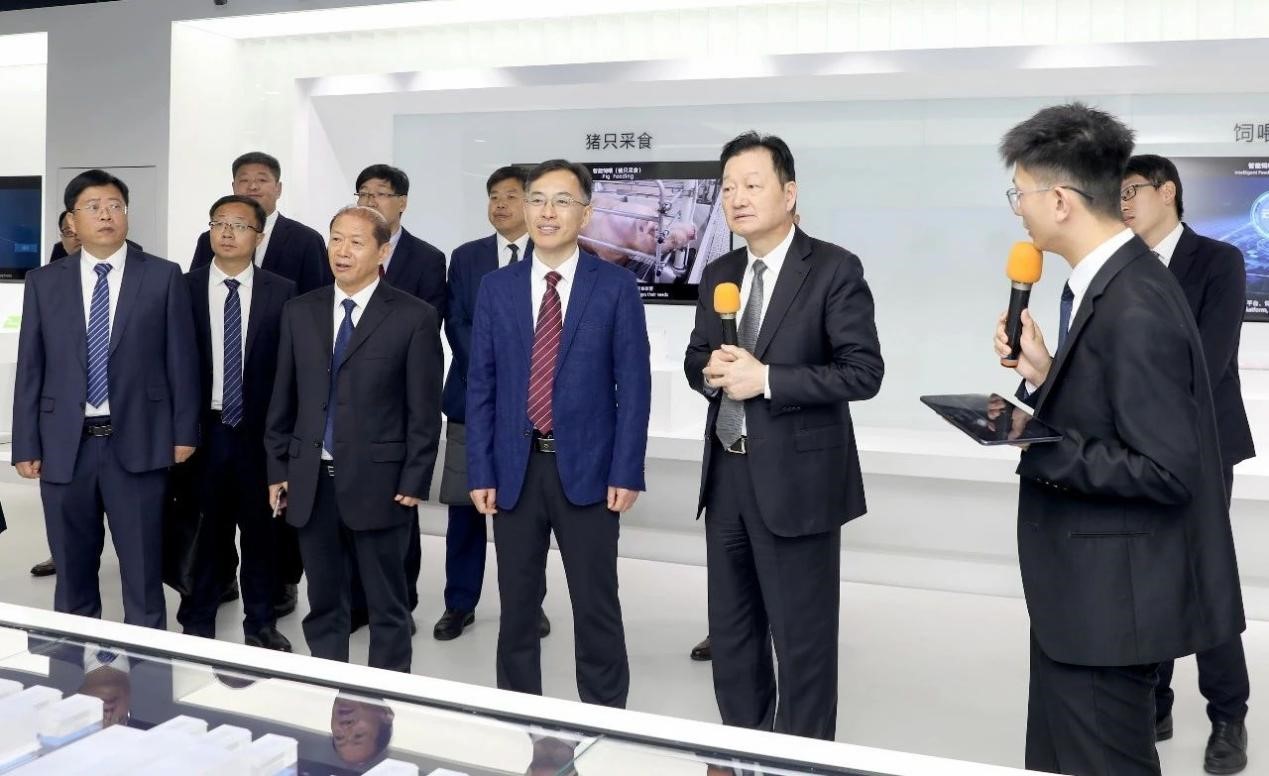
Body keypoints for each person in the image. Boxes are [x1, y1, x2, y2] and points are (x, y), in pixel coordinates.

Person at [993, 103, 1244, 776]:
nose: (1017, 210)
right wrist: (1044, 376)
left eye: (1019, 193)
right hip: (1083, 601)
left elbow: (1167, 469)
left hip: (1109, 607)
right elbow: (1111, 412)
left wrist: (1034, 440)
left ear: (1060, 200)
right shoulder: (1112, 283)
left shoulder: (1133, 301)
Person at [684, 132, 883, 740]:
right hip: (727, 474)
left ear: (789, 193)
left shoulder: (833, 268)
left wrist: (767, 379)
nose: (737, 198)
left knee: (803, 640)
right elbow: (697, 358)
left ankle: (803, 757)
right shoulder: (719, 272)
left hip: (799, 482)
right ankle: (740, 747)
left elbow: (862, 372)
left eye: (752, 185)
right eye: (727, 188)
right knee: (733, 632)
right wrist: (710, 372)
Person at [467, 159, 650, 707]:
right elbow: (482, 385)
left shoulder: (615, 286)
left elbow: (633, 386)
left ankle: (606, 719)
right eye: (538, 199)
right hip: (514, 471)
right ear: (525, 209)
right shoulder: (496, 288)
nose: (548, 212)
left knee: (596, 606)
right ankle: (519, 718)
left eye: (562, 201)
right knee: (517, 608)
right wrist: (480, 469)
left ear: (585, 214)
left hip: (590, 471)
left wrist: (626, 469)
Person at [12, 169, 200, 629]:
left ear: (127, 214)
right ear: (72, 220)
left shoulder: (162, 276)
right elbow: (31, 367)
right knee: (72, 570)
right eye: (93, 207)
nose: (106, 215)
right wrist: (25, 443)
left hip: (138, 442)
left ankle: (149, 667)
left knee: (143, 572)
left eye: (115, 205)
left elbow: (182, 361)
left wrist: (184, 432)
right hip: (64, 445)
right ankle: (73, 667)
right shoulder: (43, 281)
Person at [265, 205, 442, 672]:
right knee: (324, 601)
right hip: (311, 479)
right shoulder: (300, 311)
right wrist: (278, 466)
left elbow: (423, 411)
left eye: (356, 242)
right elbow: (283, 398)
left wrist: (415, 478)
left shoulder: (414, 317)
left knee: (387, 605)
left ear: (383, 252)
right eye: (336, 239)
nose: (342, 251)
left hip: (381, 483)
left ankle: (386, 696)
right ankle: (329, 689)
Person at [1122, 153, 1254, 774]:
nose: (1122, 204)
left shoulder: (1218, 260)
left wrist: (1129, 384)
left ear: (1168, 191)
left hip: (1202, 443)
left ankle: (1228, 714)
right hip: (1136, 445)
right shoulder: (1121, 264)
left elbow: (1210, 357)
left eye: (1132, 190)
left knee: (1203, 571)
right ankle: (1157, 701)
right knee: (1150, 571)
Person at [191, 151, 328, 618]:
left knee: (267, 520)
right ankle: (206, 601)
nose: (252, 185)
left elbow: (309, 329)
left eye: (262, 179)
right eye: (243, 179)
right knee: (207, 519)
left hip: (265, 421)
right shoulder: (191, 278)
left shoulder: (298, 255)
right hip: (207, 423)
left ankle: (269, 603)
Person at [174, 194, 296, 652]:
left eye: (240, 225)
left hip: (260, 432)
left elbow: (291, 371)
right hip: (202, 430)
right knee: (206, 529)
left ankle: (260, 622)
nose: (227, 232)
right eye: (219, 223)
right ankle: (197, 619)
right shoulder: (182, 288)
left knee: (263, 531)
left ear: (258, 237)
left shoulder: (282, 291)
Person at [434, 165, 548, 642]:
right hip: (471, 400)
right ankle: (459, 603)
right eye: (493, 196)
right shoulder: (467, 256)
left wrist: (521, 376)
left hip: (533, 405)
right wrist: (490, 370)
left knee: (528, 512)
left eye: (510, 195)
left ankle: (528, 604)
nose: (500, 204)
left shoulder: (552, 255)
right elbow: (455, 320)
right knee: (465, 510)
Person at [347, 163, 447, 631]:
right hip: (349, 401)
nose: (370, 200)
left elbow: (430, 328)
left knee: (398, 511)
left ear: (402, 202)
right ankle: (355, 603)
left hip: (399, 398)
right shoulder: (344, 254)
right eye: (363, 193)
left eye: (381, 194)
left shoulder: (427, 259)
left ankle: (399, 602)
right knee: (348, 511)